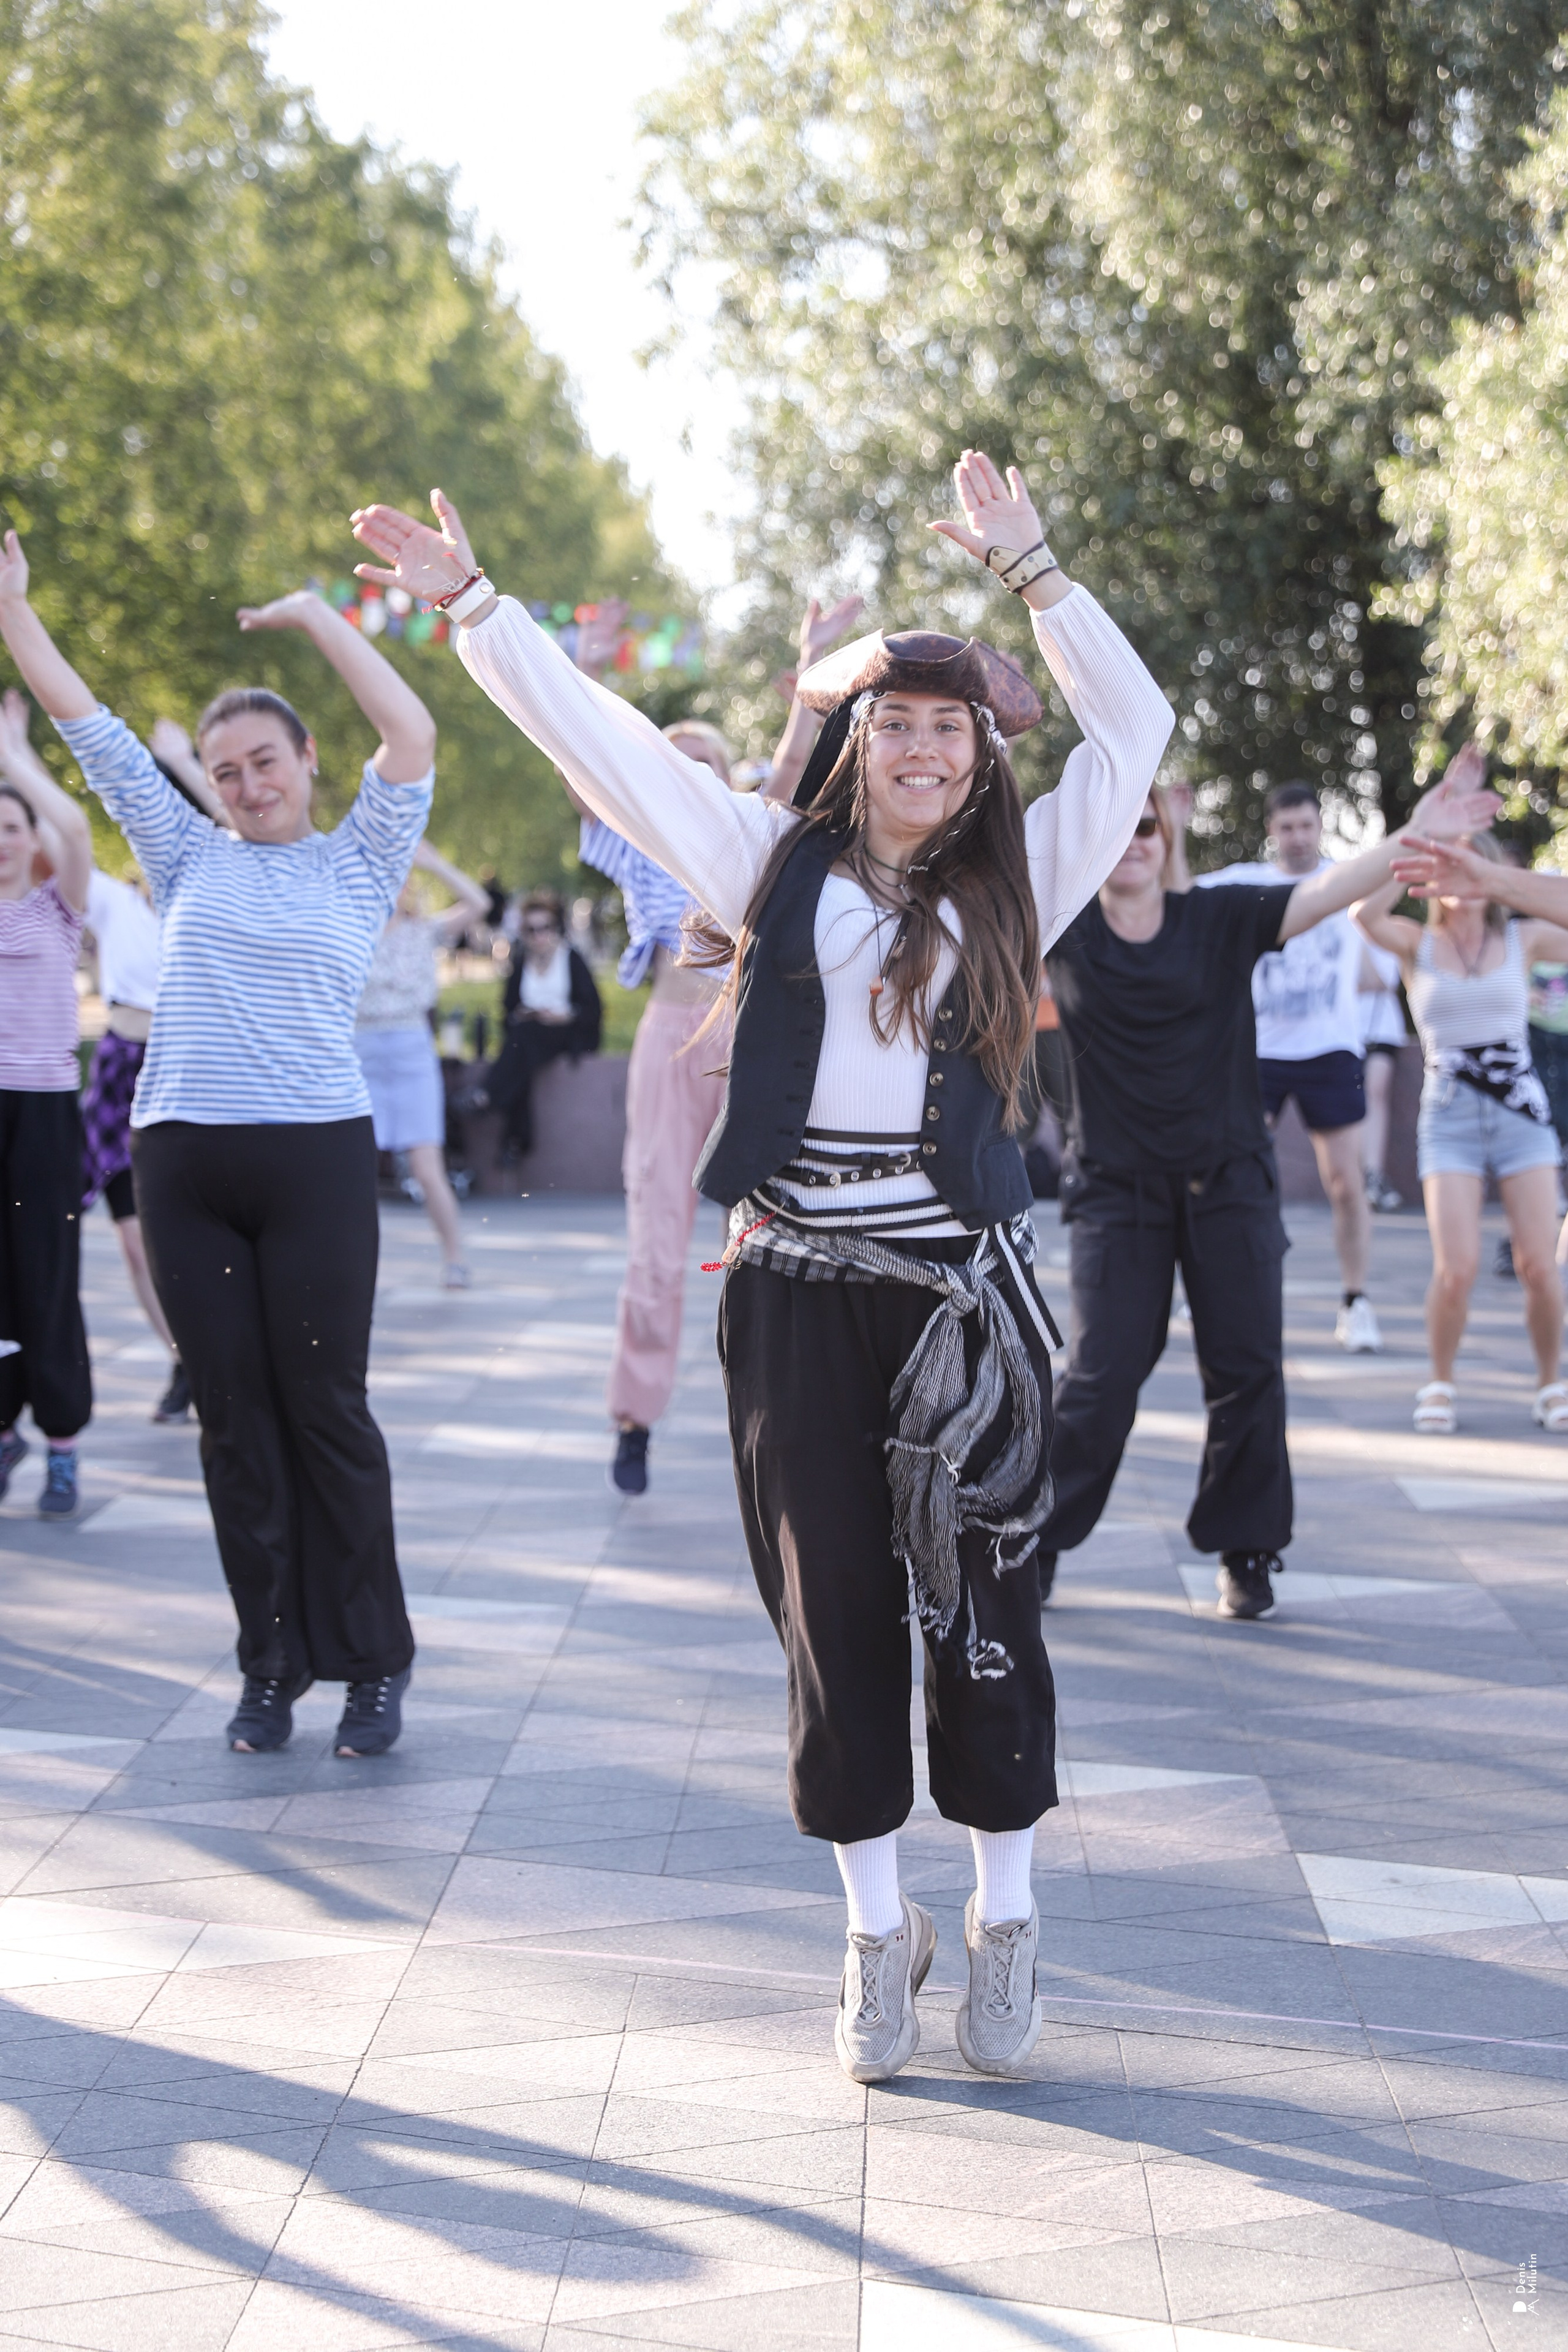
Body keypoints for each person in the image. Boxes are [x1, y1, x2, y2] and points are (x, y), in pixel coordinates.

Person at [350, 449, 1173, 2084]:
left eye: (955, 725)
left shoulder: (1026, 877)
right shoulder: (764, 868)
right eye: (901, 725)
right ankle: (877, 1932)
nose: (928, 744)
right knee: (832, 1611)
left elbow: (1136, 730)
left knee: (988, 1599)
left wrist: (1038, 573)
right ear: (860, 749)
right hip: (795, 1286)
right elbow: (603, 755)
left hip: (963, 1295)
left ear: (985, 754)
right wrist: (481, 616)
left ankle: (1005, 1915)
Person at [0, 532, 435, 1757]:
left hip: (311, 1164)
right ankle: (269, 1665)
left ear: (306, 760)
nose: (247, 783)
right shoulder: (185, 851)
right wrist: (15, 610)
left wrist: (317, 620)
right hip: (186, 1164)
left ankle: (371, 1665)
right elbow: (79, 718)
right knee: (233, 1421)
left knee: (327, 1412)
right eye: (228, 768)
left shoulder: (362, 859)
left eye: (266, 761)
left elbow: (410, 737)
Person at [1036, 758, 1499, 1624]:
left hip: (1229, 1184)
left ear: (1165, 838)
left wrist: (1418, 830)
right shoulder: (1061, 930)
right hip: (1115, 1194)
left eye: (1144, 826)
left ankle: (1246, 1551)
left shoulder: (1218, 915)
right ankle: (1042, 1542)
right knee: (1099, 1376)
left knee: (1246, 1370)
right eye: (1112, 828)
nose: (1130, 843)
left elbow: (1334, 888)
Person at [566, 592, 864, 1497]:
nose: (689, 774)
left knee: (789, 1232)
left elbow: (790, 761)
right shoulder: (634, 843)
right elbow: (579, 758)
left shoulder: (751, 835)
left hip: (757, 1039)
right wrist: (581, 665)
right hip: (669, 1039)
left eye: (706, 765)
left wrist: (816, 659)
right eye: (675, 761)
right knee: (656, 1235)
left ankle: (804, 1414)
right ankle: (634, 1415)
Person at [1354, 783, 1568, 1435]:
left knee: (1538, 1263)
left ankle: (1549, 1380)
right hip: (1447, 1115)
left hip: (1519, 1116)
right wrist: (1417, 842)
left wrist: (1499, 880)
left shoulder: (1524, 940)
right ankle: (1440, 1380)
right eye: (1444, 863)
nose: (1457, 874)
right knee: (1457, 1268)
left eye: (1466, 862)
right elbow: (1363, 916)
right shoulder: (1415, 944)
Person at [1197, 782, 1382, 1351]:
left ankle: (1356, 1301)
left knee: (1346, 1184)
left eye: (1307, 825)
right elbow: (1173, 892)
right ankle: (1211, 1287)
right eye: (1288, 827)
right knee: (1231, 1174)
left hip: (1330, 1052)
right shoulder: (1245, 883)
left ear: (1320, 827)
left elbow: (1401, 863)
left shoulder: (1345, 882)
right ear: (1272, 831)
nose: (1298, 837)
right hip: (1259, 1052)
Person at [0, 684, 93, 1517]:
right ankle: (2, 1430)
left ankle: (63, 1442)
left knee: (47, 1276)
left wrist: (18, 756)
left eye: (11, 827)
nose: (0, 841)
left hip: (43, 1111)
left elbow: (77, 832)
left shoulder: (55, 909)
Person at [355, 839, 489, 1287]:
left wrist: (434, 862)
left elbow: (479, 902)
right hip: (361, 1049)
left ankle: (455, 1258)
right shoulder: (350, 931)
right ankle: (346, 1265)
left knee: (427, 1166)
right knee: (351, 1167)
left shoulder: (423, 931)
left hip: (411, 1048)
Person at [481, 888, 601, 1161]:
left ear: (555, 927)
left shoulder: (571, 958)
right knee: (523, 1050)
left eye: (545, 928)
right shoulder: (521, 962)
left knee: (522, 1043)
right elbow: (508, 1010)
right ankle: (516, 1142)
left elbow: (592, 1010)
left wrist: (564, 1016)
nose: (539, 936)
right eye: (532, 930)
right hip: (530, 1037)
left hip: (566, 1033)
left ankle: (489, 1096)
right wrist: (526, 1013)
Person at [1359, 935, 1408, 1213]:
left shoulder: (1382, 933)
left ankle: (1373, 1175)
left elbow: (1378, 980)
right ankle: (1357, 1177)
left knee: (1374, 1092)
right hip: (1345, 1032)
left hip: (1381, 1030)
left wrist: (1358, 942)